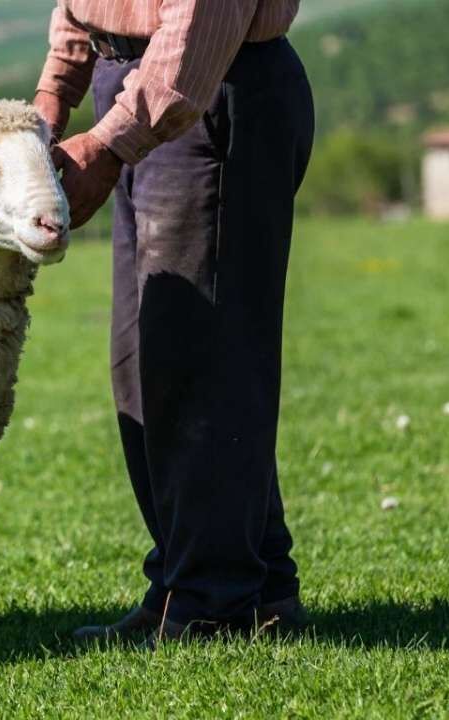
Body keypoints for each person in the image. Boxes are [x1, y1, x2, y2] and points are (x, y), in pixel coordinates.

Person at [32, 0, 315, 641]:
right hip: (137, 92)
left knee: (198, 364)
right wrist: (57, 92)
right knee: (148, 365)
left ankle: (215, 603)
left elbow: (198, 27)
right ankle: (227, 584)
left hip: (201, 92)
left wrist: (107, 144)